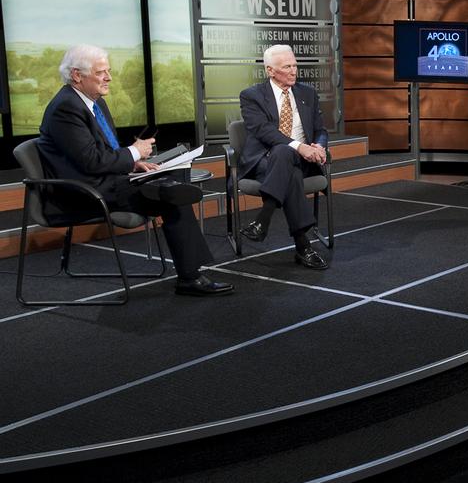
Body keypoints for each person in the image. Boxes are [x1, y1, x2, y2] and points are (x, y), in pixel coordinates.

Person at [36, 45, 233, 297]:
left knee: (168, 178)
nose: (109, 78)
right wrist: (134, 152)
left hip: (107, 182)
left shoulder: (95, 102)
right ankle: (191, 275)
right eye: (101, 72)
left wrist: (133, 163)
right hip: (83, 193)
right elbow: (92, 162)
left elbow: (105, 153)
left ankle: (190, 269)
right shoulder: (66, 108)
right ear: (77, 75)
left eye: (108, 71)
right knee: (169, 192)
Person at [237, 45, 329, 269]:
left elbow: (321, 129)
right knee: (285, 156)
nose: (293, 71)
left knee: (287, 157)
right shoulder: (252, 96)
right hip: (266, 160)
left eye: (295, 65)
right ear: (270, 70)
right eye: (287, 66)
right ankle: (303, 245)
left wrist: (319, 146)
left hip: (304, 159)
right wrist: (299, 147)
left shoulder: (307, 93)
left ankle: (263, 220)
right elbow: (264, 131)